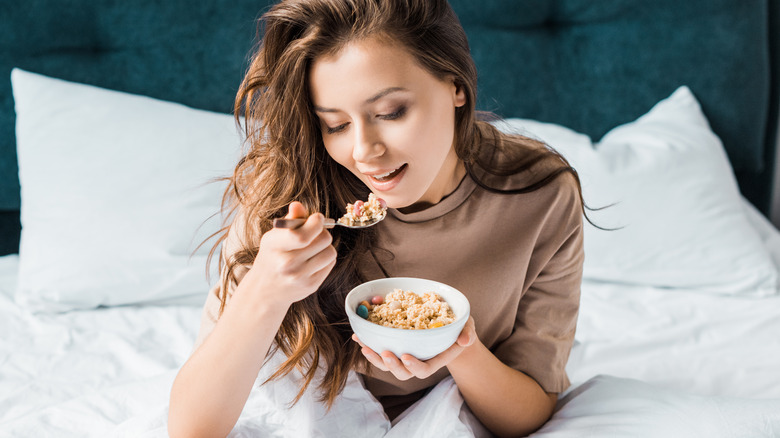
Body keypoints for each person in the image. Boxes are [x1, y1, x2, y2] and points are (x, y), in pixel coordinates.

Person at [168, 0, 584, 436]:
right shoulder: (291, 195)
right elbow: (191, 428)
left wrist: (458, 347)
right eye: (335, 125)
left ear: (456, 85)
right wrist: (266, 290)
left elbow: (529, 413)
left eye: (390, 113)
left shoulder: (539, 194)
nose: (364, 152)